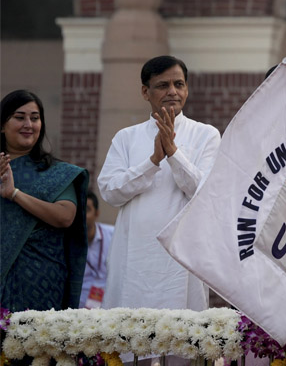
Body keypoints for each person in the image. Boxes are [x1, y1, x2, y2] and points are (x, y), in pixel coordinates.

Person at [98, 55, 221, 310]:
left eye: (179, 84)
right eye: (163, 85)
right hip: (134, 257)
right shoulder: (126, 138)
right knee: (129, 337)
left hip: (181, 260)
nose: (173, 92)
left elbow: (206, 193)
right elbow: (110, 191)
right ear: (146, 91)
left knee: (183, 339)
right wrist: (153, 161)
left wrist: (174, 154)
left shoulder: (206, 135)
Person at [0, 89, 89, 312]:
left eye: (35, 118)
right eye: (19, 117)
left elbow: (65, 216)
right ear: (2, 125)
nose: (28, 124)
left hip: (41, 286)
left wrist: (14, 194)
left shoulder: (56, 173)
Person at [79, 191, 115, 308]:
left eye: (87, 210)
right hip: (77, 309)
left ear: (97, 213)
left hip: (110, 305)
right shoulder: (67, 241)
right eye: (79, 210)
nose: (82, 214)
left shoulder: (113, 235)